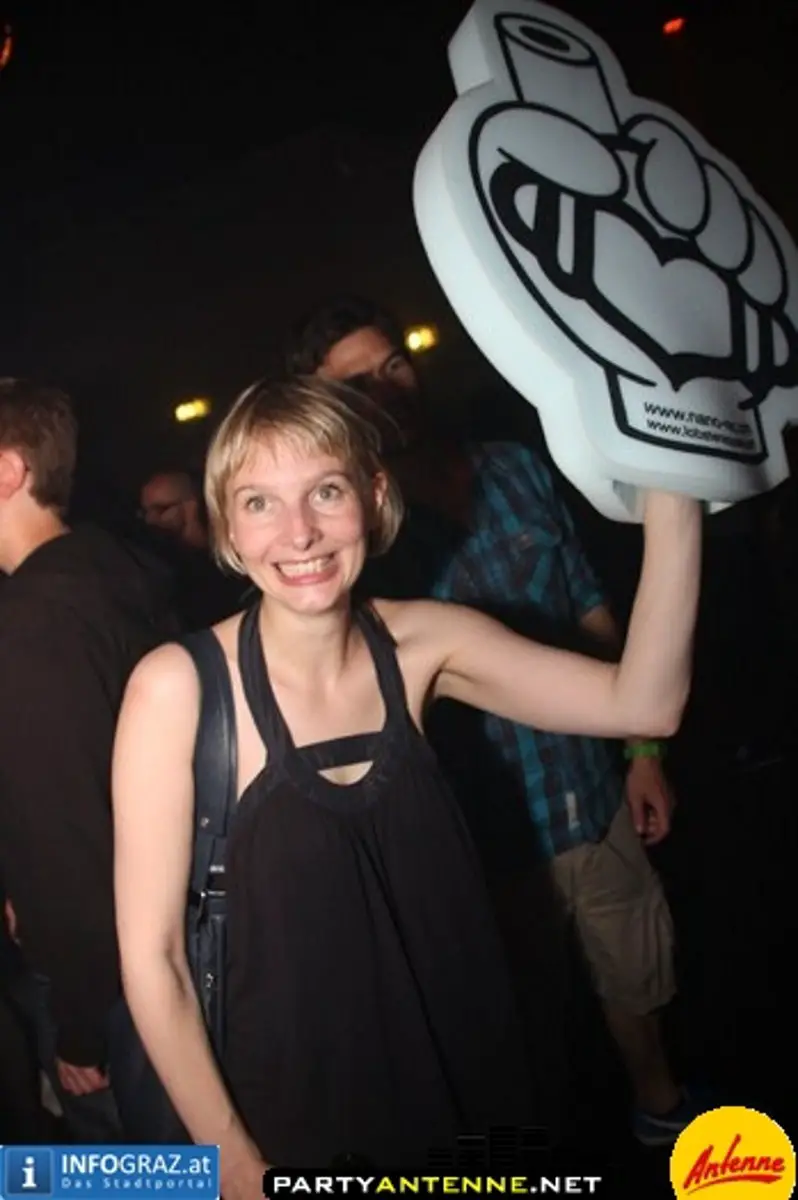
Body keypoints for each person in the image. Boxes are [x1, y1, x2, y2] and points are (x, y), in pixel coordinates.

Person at [112, 376, 700, 1191]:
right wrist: (234, 1161)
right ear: (227, 527)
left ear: (375, 496)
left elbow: (644, 702)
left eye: (326, 491)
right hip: (296, 1118)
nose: (299, 533)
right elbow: (154, 958)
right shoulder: (177, 689)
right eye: (259, 502)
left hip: (472, 1079)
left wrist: (679, 484)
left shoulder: (425, 645)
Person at [288, 296, 696, 1146]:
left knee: (640, 985)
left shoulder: (513, 467)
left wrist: (642, 752)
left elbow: (588, 604)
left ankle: (659, 1116)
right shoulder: (351, 538)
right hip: (484, 845)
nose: (387, 388)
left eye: (394, 364)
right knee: (518, 1039)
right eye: (357, 385)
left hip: (591, 797)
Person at [0, 379, 174, 1141]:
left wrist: (79, 1024)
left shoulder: (32, 622)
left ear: (8, 472)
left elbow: (69, 842)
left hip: (109, 983)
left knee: (129, 1179)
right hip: (162, 947)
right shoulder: (114, 568)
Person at [139, 468, 247, 628]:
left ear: (193, 506)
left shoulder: (231, 557)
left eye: (162, 510)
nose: (150, 520)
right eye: (144, 512)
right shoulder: (150, 563)